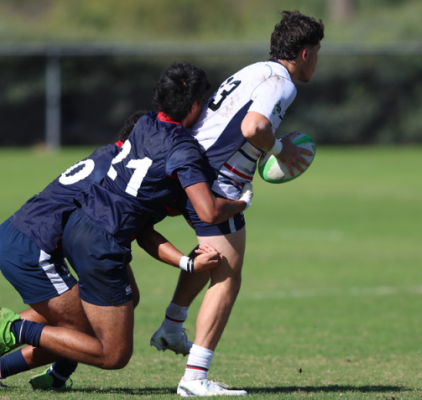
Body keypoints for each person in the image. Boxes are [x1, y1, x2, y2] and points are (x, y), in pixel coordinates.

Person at [0, 62, 250, 394]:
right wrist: (239, 200)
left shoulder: (144, 126)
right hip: (43, 244)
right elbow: (201, 210)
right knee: (105, 348)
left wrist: (186, 262)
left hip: (70, 231)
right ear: (193, 106)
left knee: (120, 304)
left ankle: (52, 371)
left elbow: (143, 223)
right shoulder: (176, 149)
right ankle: (15, 331)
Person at [148, 10, 324, 396]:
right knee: (228, 274)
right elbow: (253, 127)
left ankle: (172, 327)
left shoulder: (254, 70)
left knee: (211, 254)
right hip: (215, 180)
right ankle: (194, 378)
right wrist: (281, 149)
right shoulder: (282, 83)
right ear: (306, 53)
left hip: (192, 167)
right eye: (317, 51)